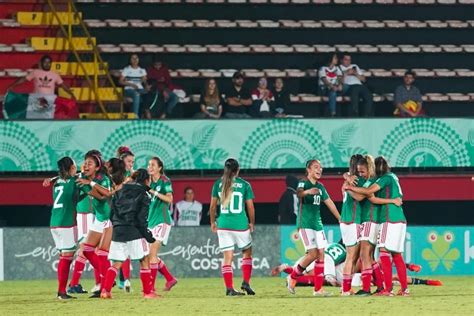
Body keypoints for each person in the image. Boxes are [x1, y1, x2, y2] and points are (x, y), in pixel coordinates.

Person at [345, 156, 409, 296]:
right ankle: (403, 289)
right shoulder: (392, 177)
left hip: (388, 217)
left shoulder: (384, 178)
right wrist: (347, 177)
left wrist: (348, 186)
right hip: (399, 217)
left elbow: (368, 194)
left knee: (383, 253)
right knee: (396, 255)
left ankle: (386, 289)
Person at [272, 243, 442, 288]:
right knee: (387, 278)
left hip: (346, 275)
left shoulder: (355, 256)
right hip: (347, 276)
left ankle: (288, 272)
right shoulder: (359, 258)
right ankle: (423, 281)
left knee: (386, 278)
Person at [100, 169, 158, 299]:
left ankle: (105, 290)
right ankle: (148, 293)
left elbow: (111, 212)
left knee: (117, 262)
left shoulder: (120, 190)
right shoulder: (144, 194)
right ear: (146, 180)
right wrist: (148, 236)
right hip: (134, 231)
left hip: (118, 230)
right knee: (144, 260)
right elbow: (141, 219)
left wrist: (117, 225)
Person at [287, 159, 341, 296]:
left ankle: (318, 289)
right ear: (309, 170)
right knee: (313, 254)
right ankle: (293, 277)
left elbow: (330, 203)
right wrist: (308, 192)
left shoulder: (321, 187)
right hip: (305, 224)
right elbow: (299, 193)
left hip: (317, 224)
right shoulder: (303, 182)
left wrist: (340, 219)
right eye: (316, 167)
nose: (319, 170)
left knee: (321, 254)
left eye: (321, 168)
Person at [209, 158, 256, 296]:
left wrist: (213, 222)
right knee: (247, 252)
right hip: (240, 225)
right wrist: (252, 222)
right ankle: (246, 282)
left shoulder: (218, 184)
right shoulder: (245, 185)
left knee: (227, 258)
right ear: (238, 170)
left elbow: (212, 207)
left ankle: (230, 289)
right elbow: (250, 206)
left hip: (223, 225)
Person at [47, 157, 79, 300]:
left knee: (64, 256)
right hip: (66, 223)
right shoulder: (73, 182)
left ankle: (62, 291)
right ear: (71, 168)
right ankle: (61, 291)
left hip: (54, 222)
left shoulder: (57, 182)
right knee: (67, 257)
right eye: (75, 166)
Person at [6, 55, 76, 119]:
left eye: (49, 62)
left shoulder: (55, 74)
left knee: (47, 120)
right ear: (41, 63)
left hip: (49, 101)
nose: (47, 64)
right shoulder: (35, 72)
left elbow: (63, 85)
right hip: (35, 100)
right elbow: (24, 79)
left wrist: (70, 93)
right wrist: (13, 85)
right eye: (45, 62)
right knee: (33, 119)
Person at [147, 157, 178, 293]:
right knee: (149, 255)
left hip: (162, 221)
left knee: (152, 254)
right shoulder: (148, 182)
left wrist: (154, 192)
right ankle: (170, 278)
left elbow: (170, 199)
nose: (150, 167)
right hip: (151, 222)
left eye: (153, 165)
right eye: (149, 165)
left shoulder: (164, 181)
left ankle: (151, 289)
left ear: (159, 168)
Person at [116, 146, 135, 292]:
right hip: (116, 214)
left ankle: (125, 280)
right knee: (118, 249)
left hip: (129, 214)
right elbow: (116, 189)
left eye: (133, 162)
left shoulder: (131, 174)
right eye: (129, 162)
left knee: (125, 248)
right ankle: (119, 280)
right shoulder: (116, 175)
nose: (131, 164)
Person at [119, 54, 150, 118]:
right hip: (129, 90)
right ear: (130, 60)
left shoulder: (142, 70)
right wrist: (132, 85)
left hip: (140, 89)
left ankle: (148, 114)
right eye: (133, 58)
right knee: (136, 94)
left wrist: (147, 86)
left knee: (150, 93)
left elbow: (145, 82)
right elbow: (120, 81)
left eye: (136, 58)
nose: (135, 60)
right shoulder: (127, 69)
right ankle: (135, 115)